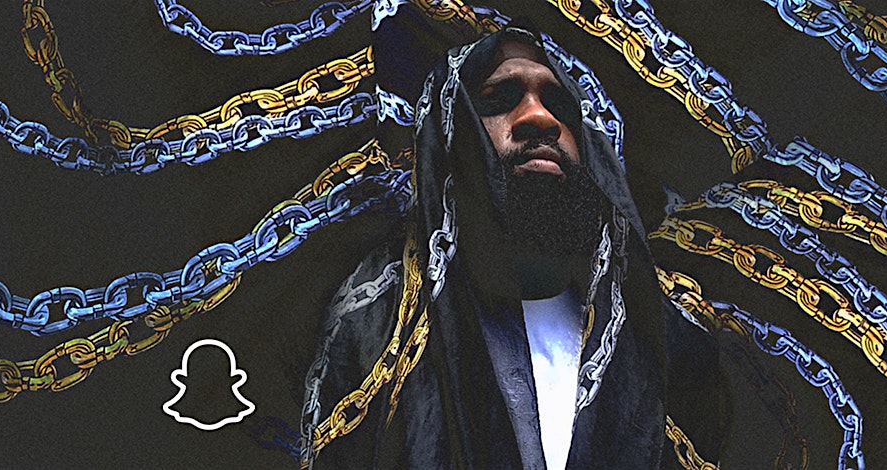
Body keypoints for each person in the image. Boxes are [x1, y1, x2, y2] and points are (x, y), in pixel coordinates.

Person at [298, 26, 728, 469]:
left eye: (559, 104)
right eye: (498, 100)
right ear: (452, 135)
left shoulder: (667, 337)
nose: (539, 117)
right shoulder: (374, 323)